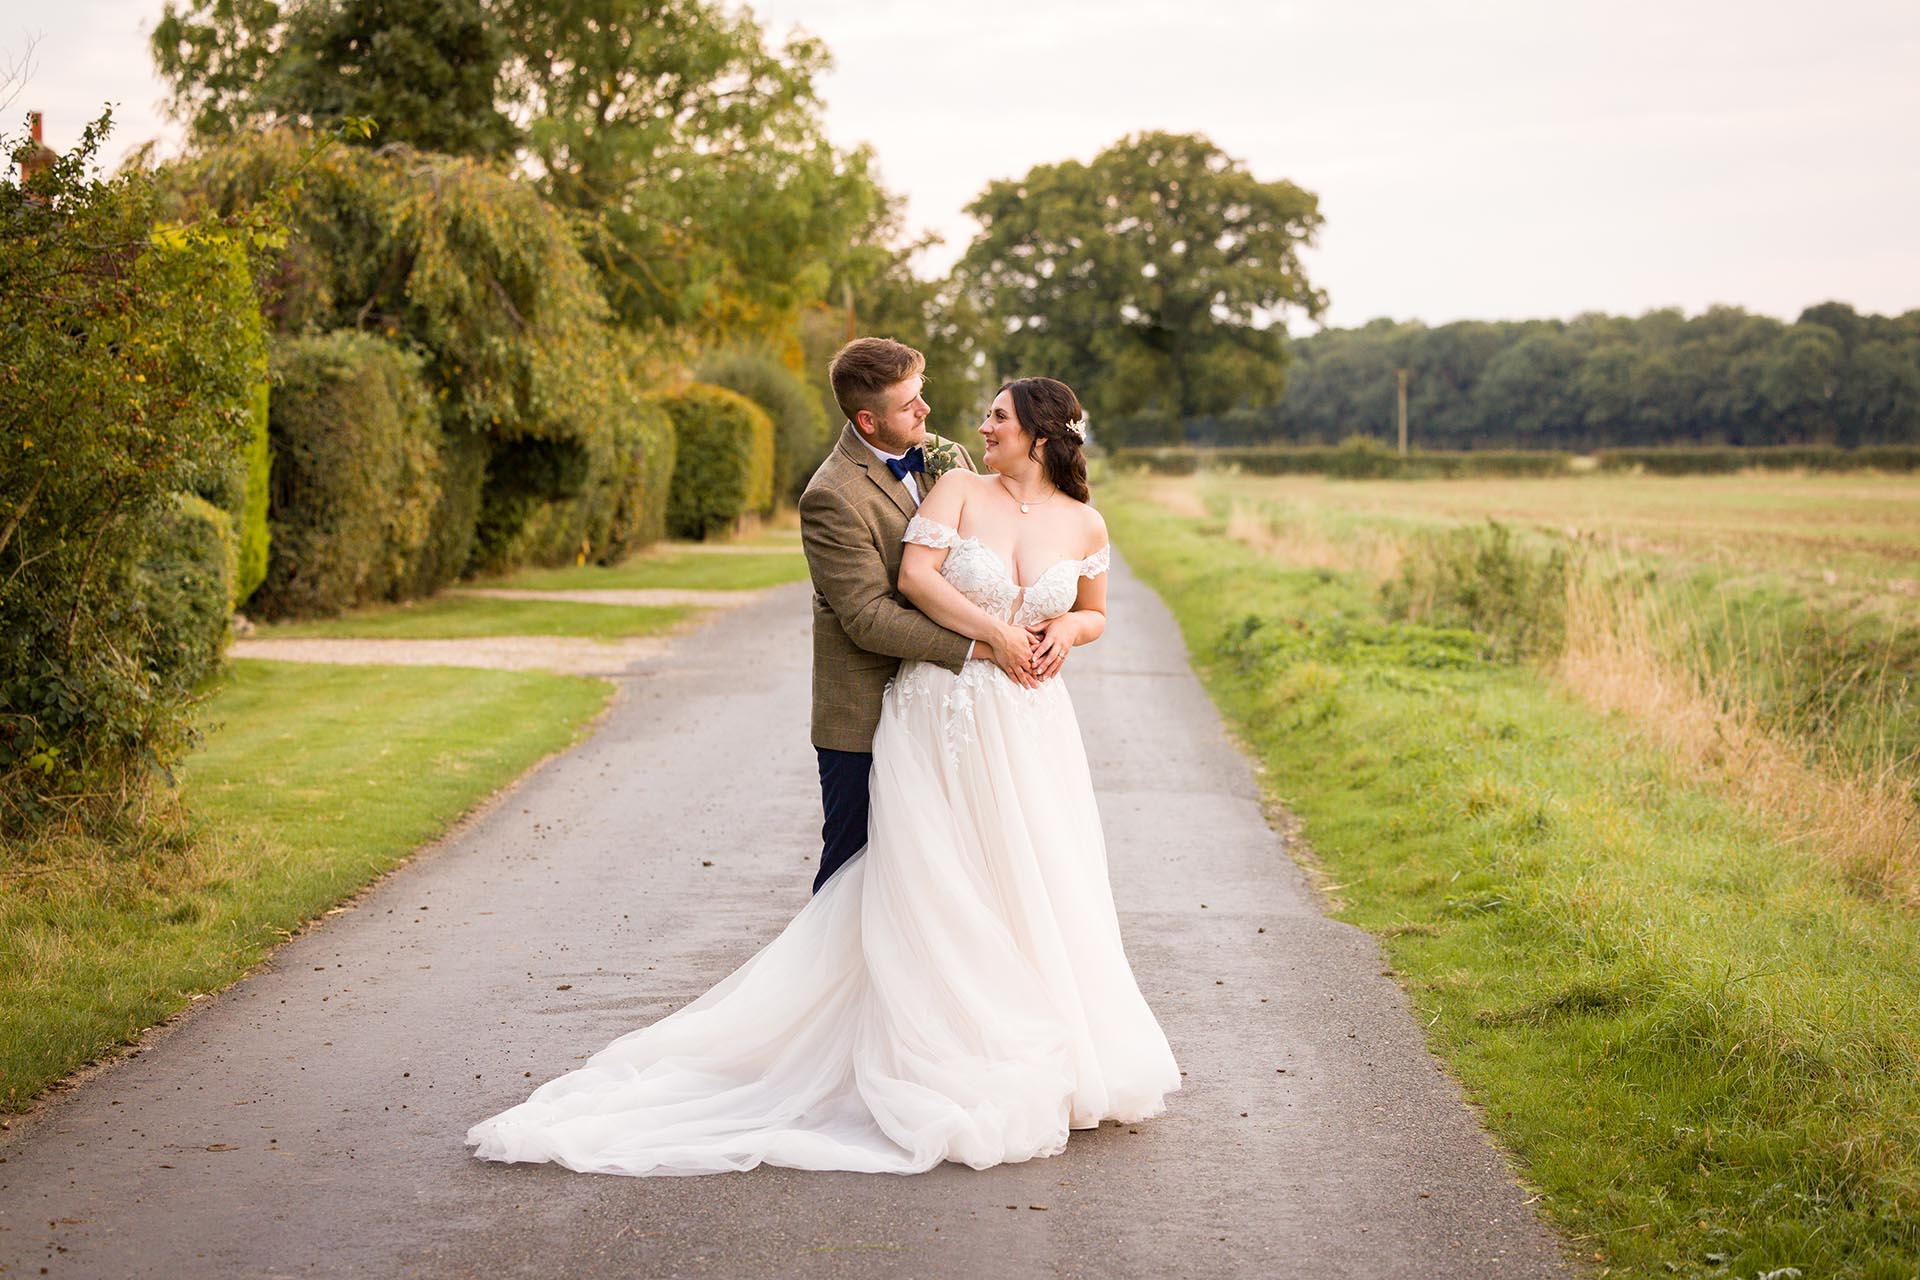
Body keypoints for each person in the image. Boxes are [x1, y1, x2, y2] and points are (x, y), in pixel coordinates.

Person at [464, 351, 1179, 1175]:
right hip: (918, 707)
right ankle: (858, 1049)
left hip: (1030, 724)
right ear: (870, 419)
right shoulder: (843, 494)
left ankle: (1042, 1037)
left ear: (1045, 438)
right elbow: (885, 605)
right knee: (889, 879)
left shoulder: (1009, 489)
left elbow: (1093, 613)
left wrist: (1061, 633)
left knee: (1027, 875)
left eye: (996, 417)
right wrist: (994, 640)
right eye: (918, 403)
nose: (955, 420)